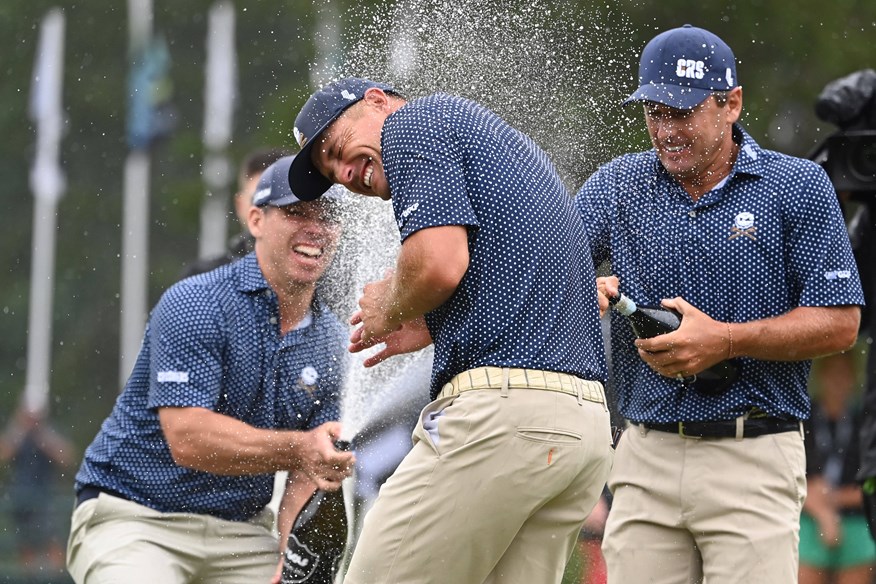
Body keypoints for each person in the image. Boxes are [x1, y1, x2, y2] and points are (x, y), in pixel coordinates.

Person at [287, 76, 614, 584]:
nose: (344, 172)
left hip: (503, 422)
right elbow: (516, 275)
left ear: (376, 101)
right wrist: (433, 320)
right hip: (580, 431)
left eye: (336, 149)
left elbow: (438, 264)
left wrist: (390, 307)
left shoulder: (414, 123)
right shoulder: (486, 139)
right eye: (332, 173)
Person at [575, 24, 864, 583]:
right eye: (654, 113)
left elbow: (840, 322)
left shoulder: (797, 185)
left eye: (681, 113)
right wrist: (583, 291)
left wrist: (726, 340)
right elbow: (548, 278)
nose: (665, 130)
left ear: (731, 104)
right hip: (644, 456)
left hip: (752, 455)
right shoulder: (616, 184)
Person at [66, 155, 355, 584]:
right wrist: (301, 447)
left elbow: (310, 471)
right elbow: (188, 438)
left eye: (327, 217)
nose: (315, 227)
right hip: (134, 517)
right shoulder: (197, 301)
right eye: (296, 212)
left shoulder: (333, 340)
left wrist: (286, 552)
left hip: (242, 535)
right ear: (256, 220)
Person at [800, 350, 876, 584]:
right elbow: (793, 477)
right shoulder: (805, 416)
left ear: (854, 378)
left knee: (861, 545)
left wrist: (831, 502)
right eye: (832, 372)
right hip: (808, 512)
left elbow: (869, 485)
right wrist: (822, 512)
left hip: (853, 515)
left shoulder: (865, 420)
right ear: (820, 377)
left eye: (844, 373)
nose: (838, 380)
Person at [180, 146, 291, 277]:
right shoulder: (202, 280)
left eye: (281, 204)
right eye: (259, 201)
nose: (268, 213)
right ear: (240, 205)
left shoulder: (317, 280)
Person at [0, 401, 76, 573]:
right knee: (26, 545)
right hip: (22, 496)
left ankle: (55, 577)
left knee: (52, 541)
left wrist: (42, 435)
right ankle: (31, 576)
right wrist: (19, 429)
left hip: (45, 498)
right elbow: (4, 454)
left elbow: (66, 457)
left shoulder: (49, 433)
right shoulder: (18, 435)